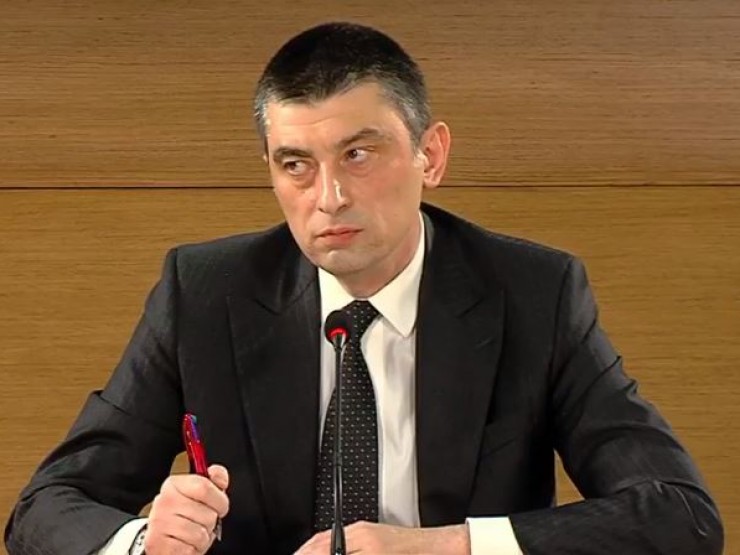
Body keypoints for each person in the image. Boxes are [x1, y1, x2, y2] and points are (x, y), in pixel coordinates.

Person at [4, 21, 723, 555]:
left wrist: (447, 547)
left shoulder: (534, 292)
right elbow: (46, 508)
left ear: (430, 155)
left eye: (357, 154)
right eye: (295, 164)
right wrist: (145, 541)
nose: (329, 197)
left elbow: (680, 515)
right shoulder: (203, 293)